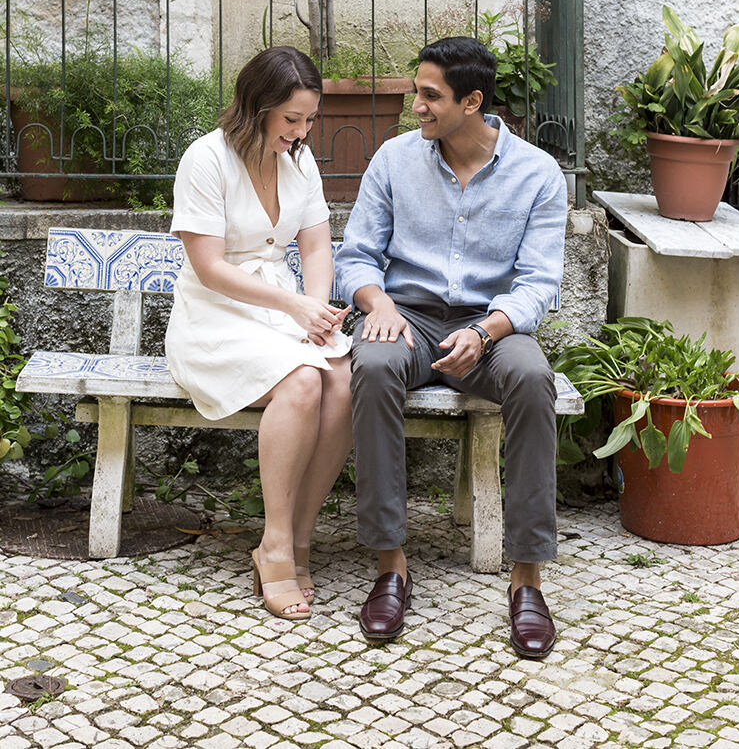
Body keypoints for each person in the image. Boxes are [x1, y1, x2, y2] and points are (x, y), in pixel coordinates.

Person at [335, 35, 567, 653]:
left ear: (472, 101)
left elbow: (540, 281)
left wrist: (486, 329)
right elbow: (355, 255)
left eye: (430, 95)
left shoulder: (537, 174)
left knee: (531, 378)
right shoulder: (393, 160)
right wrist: (376, 303)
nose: (417, 105)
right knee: (374, 363)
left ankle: (526, 580)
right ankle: (390, 566)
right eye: (416, 91)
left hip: (492, 326)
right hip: (405, 315)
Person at [166, 46, 353, 622]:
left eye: (310, 119)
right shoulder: (207, 158)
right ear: (257, 108)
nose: (301, 132)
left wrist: (316, 312)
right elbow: (209, 268)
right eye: (291, 119)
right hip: (215, 315)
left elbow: (317, 243)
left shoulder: (299, 160)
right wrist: (294, 306)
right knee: (302, 383)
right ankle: (273, 548)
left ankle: (300, 537)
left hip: (283, 311)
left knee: (343, 382)